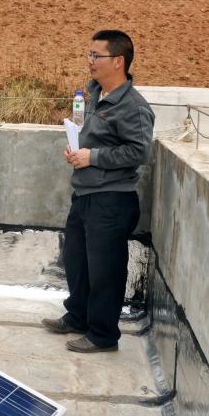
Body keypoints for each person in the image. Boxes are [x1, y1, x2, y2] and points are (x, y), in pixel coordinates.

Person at [42, 30, 154, 353]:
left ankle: (103, 335)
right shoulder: (96, 93)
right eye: (89, 54)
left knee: (105, 270)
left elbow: (139, 152)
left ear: (117, 61)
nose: (90, 61)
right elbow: (96, 139)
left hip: (111, 199)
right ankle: (78, 316)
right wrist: (77, 151)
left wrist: (92, 157)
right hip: (85, 194)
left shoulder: (133, 106)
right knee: (77, 260)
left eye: (96, 55)